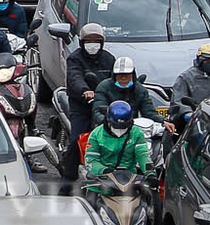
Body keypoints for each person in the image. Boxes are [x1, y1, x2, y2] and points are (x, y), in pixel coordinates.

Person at [62, 23, 116, 165]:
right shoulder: (75, 58)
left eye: (96, 41)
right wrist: (85, 91)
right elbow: (75, 77)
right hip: (82, 106)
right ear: (81, 42)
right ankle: (68, 178)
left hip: (105, 105)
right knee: (76, 141)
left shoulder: (109, 59)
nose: (92, 44)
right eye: (88, 41)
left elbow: (116, 79)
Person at [83, 100, 152, 182]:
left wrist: (150, 174)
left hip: (129, 179)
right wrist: (104, 170)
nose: (119, 129)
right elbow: (91, 159)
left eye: (123, 126)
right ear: (108, 120)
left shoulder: (137, 133)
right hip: (102, 179)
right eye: (115, 125)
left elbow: (143, 155)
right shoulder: (96, 134)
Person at [92, 56, 165, 129]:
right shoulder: (104, 87)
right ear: (114, 75)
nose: (123, 78)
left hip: (131, 129)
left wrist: (162, 121)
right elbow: (97, 111)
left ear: (132, 75)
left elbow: (149, 112)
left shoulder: (140, 90)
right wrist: (108, 121)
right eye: (120, 75)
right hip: (107, 128)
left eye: (127, 75)